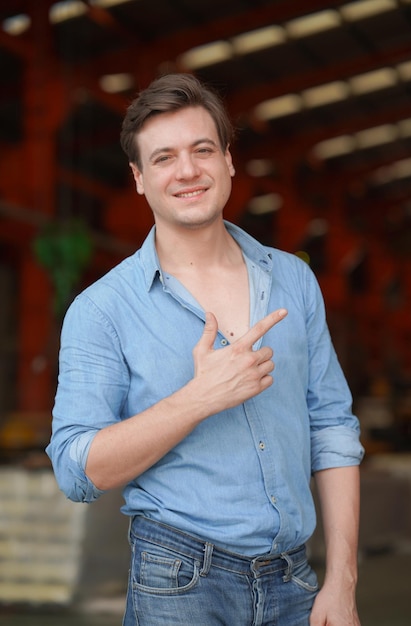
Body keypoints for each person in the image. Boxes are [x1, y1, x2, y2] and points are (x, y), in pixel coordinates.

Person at [46, 72, 364, 626]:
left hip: (297, 581)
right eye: (164, 158)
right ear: (139, 178)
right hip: (179, 585)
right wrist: (197, 399)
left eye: (202, 150)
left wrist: (343, 580)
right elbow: (76, 471)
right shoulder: (102, 310)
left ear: (229, 161)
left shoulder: (293, 279)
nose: (188, 170)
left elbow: (332, 427)